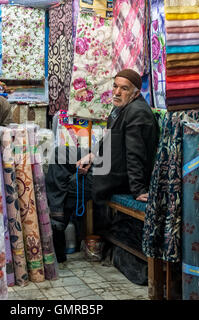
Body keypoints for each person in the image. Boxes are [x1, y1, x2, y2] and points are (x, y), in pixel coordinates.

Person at [45, 69, 160, 263]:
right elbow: (109, 140)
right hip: (107, 160)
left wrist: (139, 188)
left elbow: (136, 154)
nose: (116, 92)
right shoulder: (120, 109)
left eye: (124, 89)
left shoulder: (138, 114)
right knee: (58, 155)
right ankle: (57, 220)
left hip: (118, 173)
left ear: (136, 93)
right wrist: (92, 156)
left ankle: (57, 231)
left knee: (72, 182)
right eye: (115, 86)